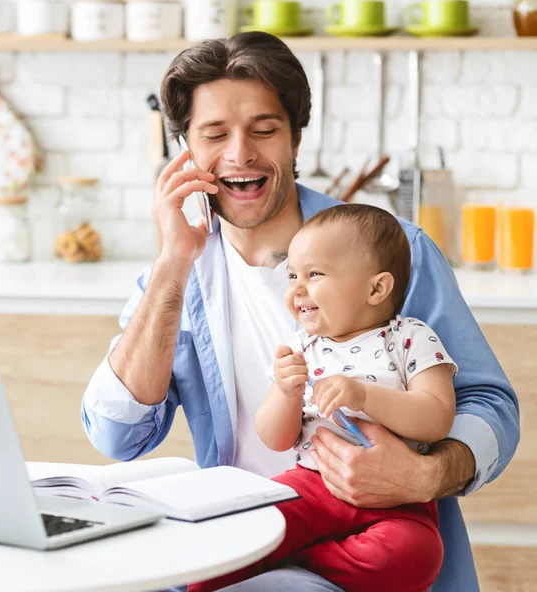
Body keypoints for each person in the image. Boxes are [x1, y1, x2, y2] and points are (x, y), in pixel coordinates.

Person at [81, 32, 519, 592]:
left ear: (295, 141)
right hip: (247, 540)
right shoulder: (177, 273)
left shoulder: (388, 251)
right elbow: (117, 436)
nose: (240, 153)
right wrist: (171, 267)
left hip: (374, 553)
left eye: (264, 130)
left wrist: (427, 473)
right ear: (186, 150)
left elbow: (490, 405)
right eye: (215, 134)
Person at [188, 204, 458, 592]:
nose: (296, 289)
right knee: (241, 527)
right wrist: (285, 392)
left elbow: (436, 418)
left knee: (418, 553)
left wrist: (365, 395)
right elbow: (275, 437)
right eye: (292, 275)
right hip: (311, 486)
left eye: (314, 275)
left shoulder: (411, 337)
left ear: (376, 288)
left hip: (397, 502)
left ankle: (301, 556)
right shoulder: (301, 346)